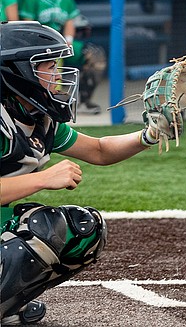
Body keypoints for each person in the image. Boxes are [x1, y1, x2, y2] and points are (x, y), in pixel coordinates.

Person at [0, 21, 167, 325]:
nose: (57, 74)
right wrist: (43, 178)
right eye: (47, 65)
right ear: (16, 71)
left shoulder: (37, 119)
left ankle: (6, 305)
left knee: (82, 230)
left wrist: (150, 134)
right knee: (39, 231)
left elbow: (99, 150)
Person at [18, 0, 105, 114]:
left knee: (96, 55)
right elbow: (27, 25)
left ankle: (84, 100)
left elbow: (70, 22)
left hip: (61, 41)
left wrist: (69, 41)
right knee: (51, 63)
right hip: (40, 44)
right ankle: (48, 101)